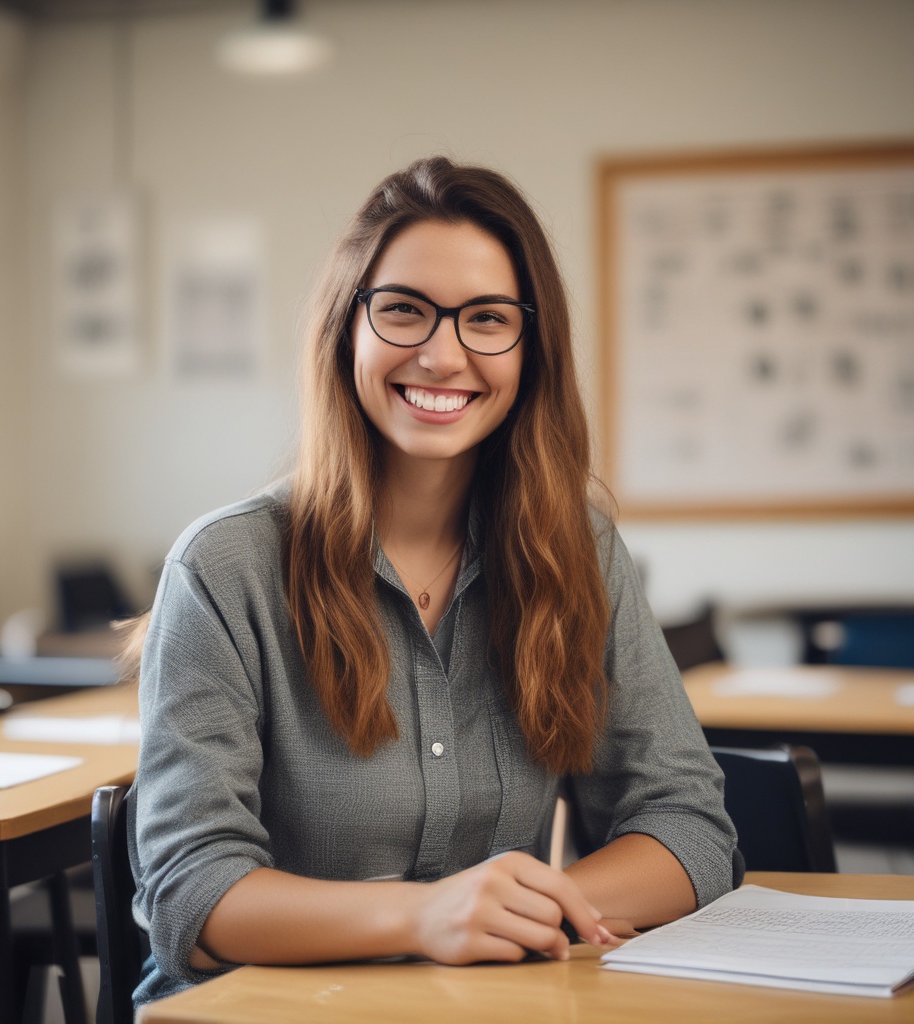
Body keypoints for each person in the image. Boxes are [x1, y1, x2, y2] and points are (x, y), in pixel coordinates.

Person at [127, 156, 741, 1009]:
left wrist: (516, 915)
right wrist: (424, 919)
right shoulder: (224, 568)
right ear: (348, 330)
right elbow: (192, 889)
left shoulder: (579, 550)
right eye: (405, 311)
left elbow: (688, 825)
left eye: (487, 318)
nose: (442, 354)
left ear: (531, 348)